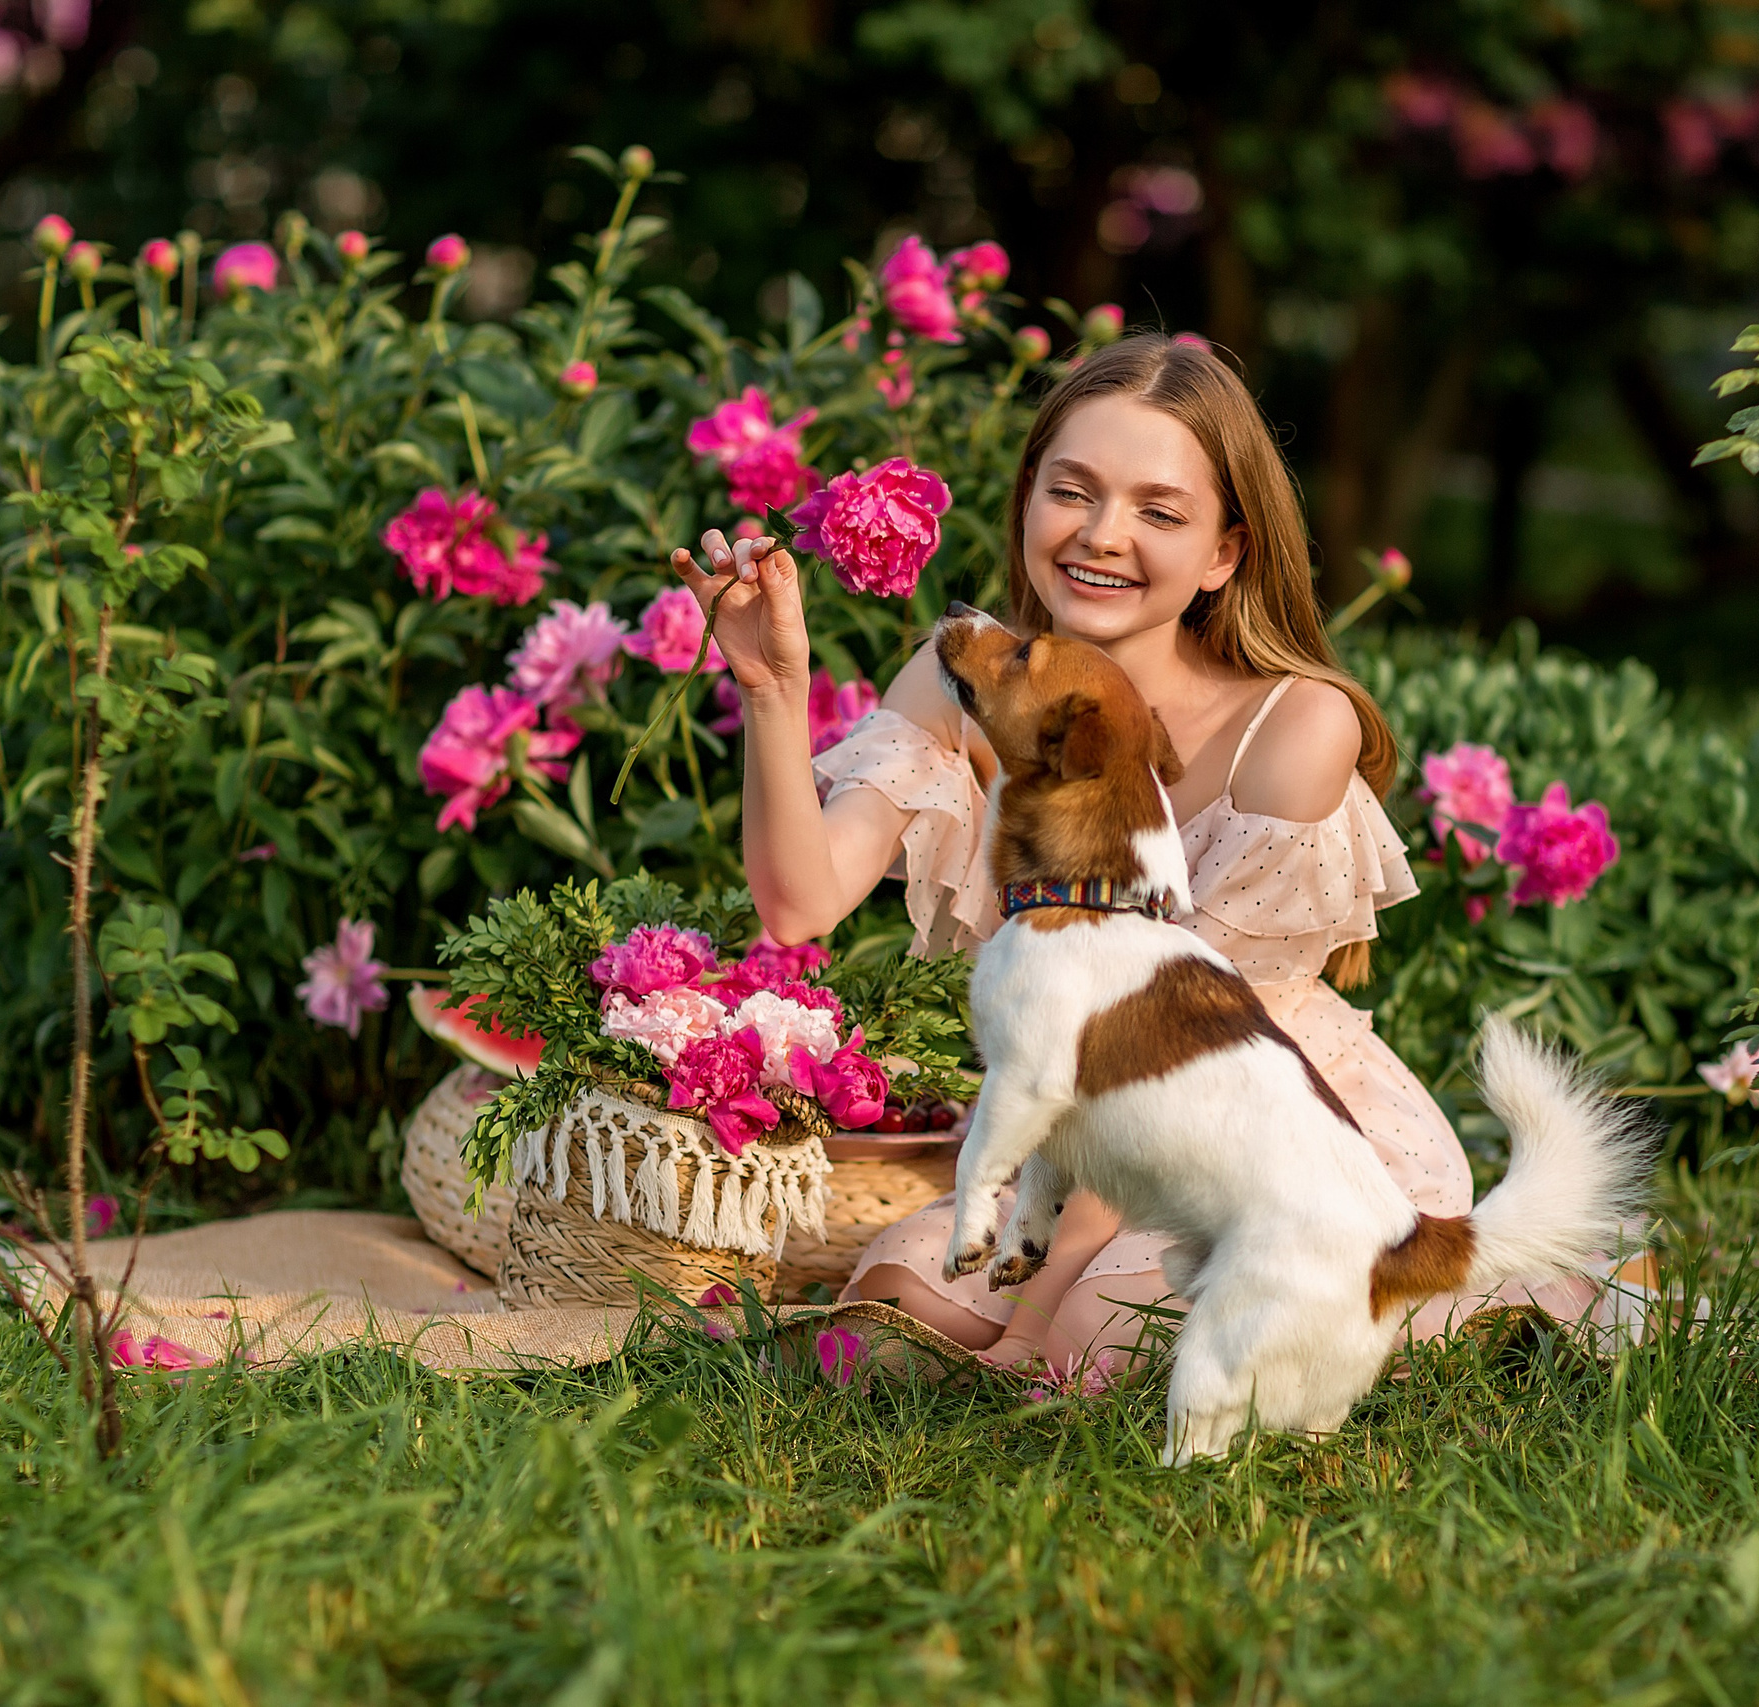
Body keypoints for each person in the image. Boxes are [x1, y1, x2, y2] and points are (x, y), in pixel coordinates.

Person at [671, 335, 1624, 1387]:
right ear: (1028, 495)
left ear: (1223, 551)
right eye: (1070, 491)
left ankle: (1477, 1296)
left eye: (1159, 512)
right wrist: (770, 691)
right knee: (883, 1314)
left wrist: (1024, 1333)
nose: (1100, 536)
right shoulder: (968, 677)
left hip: (1270, 1139)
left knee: (1089, 1344)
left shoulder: (1292, 728)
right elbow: (800, 904)